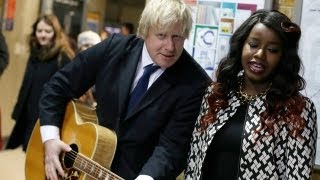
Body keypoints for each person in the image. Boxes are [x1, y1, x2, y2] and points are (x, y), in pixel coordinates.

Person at [39, 0, 211, 179]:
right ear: (144, 32)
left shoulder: (195, 83)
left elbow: (172, 149)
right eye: (161, 35)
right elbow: (57, 87)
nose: (170, 47)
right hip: (82, 162)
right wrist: (50, 139)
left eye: (178, 37)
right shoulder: (114, 48)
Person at [185, 9, 318, 180]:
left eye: (272, 49)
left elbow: (298, 176)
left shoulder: (298, 110)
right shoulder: (217, 94)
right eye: (253, 45)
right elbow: (194, 159)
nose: (260, 55)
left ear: (283, 57)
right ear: (241, 45)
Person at [6, 14, 75, 151]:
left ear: (56, 33)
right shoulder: (35, 53)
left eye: (48, 31)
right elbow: (27, 85)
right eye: (39, 31)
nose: (42, 35)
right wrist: (18, 110)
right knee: (28, 153)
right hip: (29, 113)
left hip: (47, 119)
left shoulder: (63, 57)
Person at [76, 30, 101, 107]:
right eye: (86, 45)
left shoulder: (102, 69)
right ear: (79, 48)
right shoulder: (74, 67)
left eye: (93, 45)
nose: (90, 48)